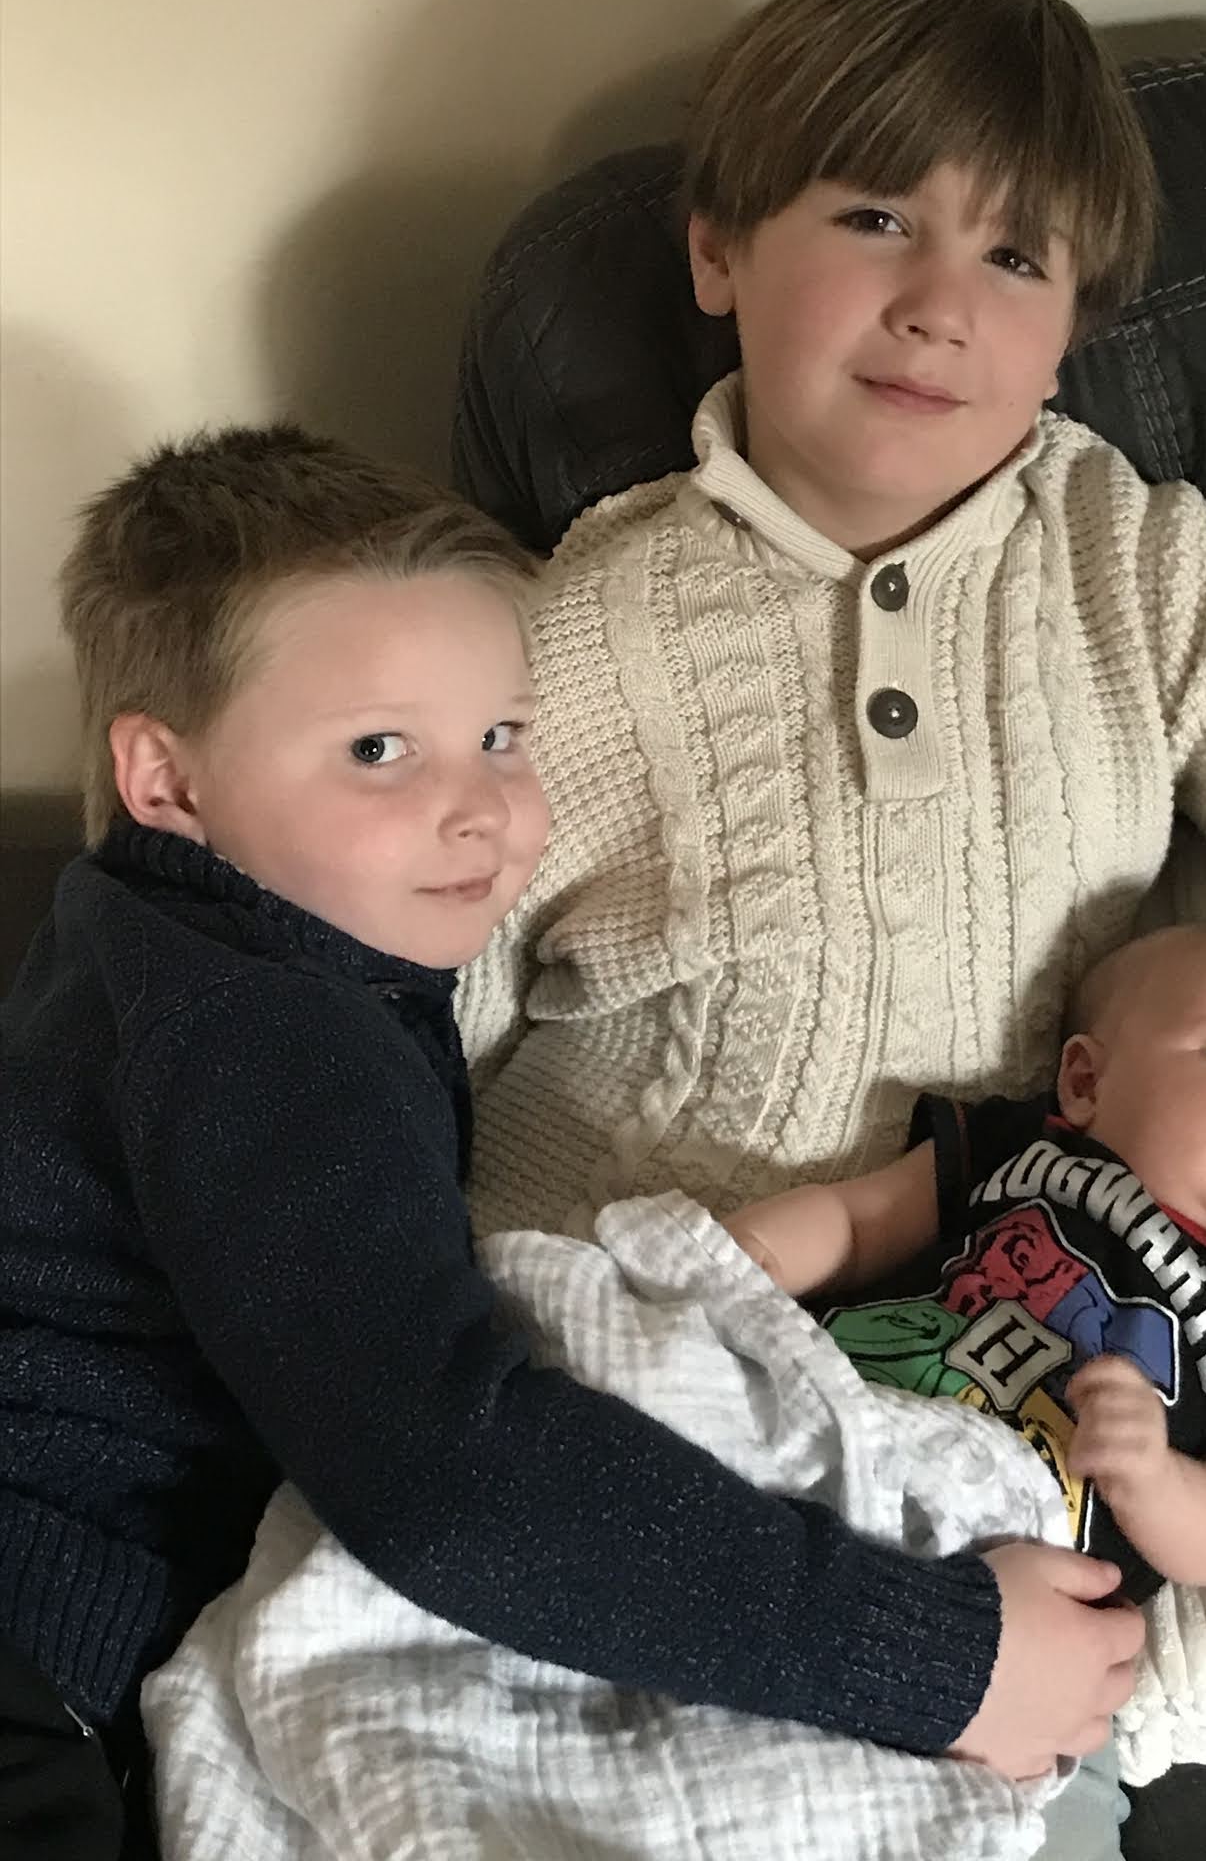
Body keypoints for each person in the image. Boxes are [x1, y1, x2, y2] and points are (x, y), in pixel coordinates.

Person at [454, 0, 1206, 1835]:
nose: (942, 304)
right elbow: (394, 1026)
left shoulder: (1145, 570)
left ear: (1075, 317)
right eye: (876, 216)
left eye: (1016, 255)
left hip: (987, 1485)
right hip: (629, 1394)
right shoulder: (569, 632)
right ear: (718, 252)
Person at [5, 427, 1114, 1858]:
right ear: (166, 778)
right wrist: (939, 1658)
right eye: (378, 748)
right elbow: (445, 1470)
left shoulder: (158, 938)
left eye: (502, 736)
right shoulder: (259, 1032)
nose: (480, 806)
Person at [724, 922, 1206, 1606]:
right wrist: (743, 1258)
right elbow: (860, 1222)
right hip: (836, 1403)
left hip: (993, 1543)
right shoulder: (1023, 1147)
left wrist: (1154, 1480)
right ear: (1086, 1082)